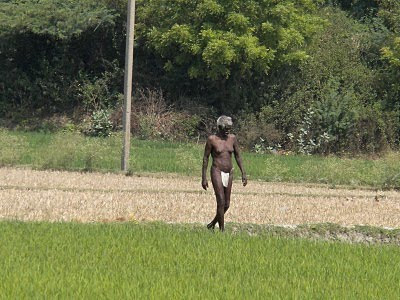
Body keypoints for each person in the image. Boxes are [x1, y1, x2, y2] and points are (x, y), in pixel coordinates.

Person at [202, 115, 247, 231]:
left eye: (229, 128)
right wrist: (204, 178)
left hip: (229, 172)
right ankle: (222, 230)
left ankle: (211, 225)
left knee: (226, 204)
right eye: (226, 128)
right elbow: (206, 158)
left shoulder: (232, 139)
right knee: (220, 201)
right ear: (220, 127)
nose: (228, 131)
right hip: (217, 170)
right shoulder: (212, 139)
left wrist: (243, 173)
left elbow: (238, 156)